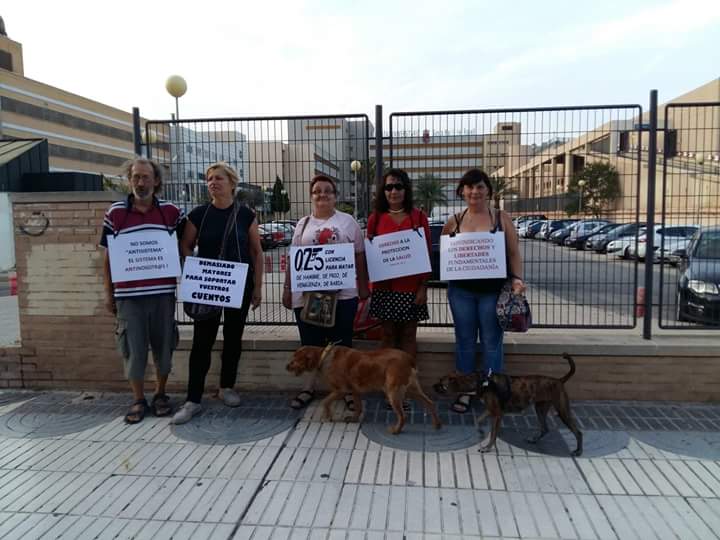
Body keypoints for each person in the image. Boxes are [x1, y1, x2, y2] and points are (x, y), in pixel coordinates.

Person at [171, 162, 263, 424]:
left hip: (239, 286)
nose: (213, 182)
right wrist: (202, 270)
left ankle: (227, 387)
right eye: (210, 179)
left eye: (219, 178)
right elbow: (185, 247)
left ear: (232, 183)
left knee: (234, 338)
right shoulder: (199, 214)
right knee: (202, 341)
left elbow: (256, 252)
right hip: (208, 286)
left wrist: (258, 286)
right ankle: (193, 399)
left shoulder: (246, 214)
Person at [100, 158, 185, 424]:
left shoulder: (171, 212)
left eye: (146, 177)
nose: (140, 182)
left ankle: (160, 394)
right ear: (129, 180)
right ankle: (138, 399)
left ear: (156, 181)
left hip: (162, 294)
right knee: (133, 349)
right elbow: (108, 258)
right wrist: (108, 293)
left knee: (164, 346)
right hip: (128, 297)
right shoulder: (115, 213)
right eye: (136, 177)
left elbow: (185, 247)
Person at [282, 174, 370, 410]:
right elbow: (294, 259)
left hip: (342, 296)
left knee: (342, 345)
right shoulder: (302, 224)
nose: (322, 194)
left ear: (335, 195)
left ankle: (348, 389)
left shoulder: (348, 222)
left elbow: (360, 255)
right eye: (317, 191)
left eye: (327, 191)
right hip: (307, 296)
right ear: (311, 196)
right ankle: (308, 387)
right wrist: (287, 288)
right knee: (309, 343)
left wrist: (363, 285)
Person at [441, 168, 525, 413]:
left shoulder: (501, 218)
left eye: (479, 186)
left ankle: (493, 393)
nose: (474, 191)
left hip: (493, 292)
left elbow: (513, 253)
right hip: (461, 292)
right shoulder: (453, 221)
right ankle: (466, 391)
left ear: (488, 190)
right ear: (462, 191)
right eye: (469, 187)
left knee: (491, 342)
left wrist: (518, 278)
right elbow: (445, 255)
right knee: (465, 341)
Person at [366, 169, 430, 358]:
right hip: (384, 288)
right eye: (389, 187)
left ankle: (408, 380)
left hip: (411, 289)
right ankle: (386, 380)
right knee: (387, 335)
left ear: (406, 189)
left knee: (409, 336)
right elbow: (371, 255)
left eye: (398, 186)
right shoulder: (375, 218)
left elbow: (425, 253)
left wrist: (423, 287)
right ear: (383, 191)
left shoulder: (419, 217)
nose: (394, 191)